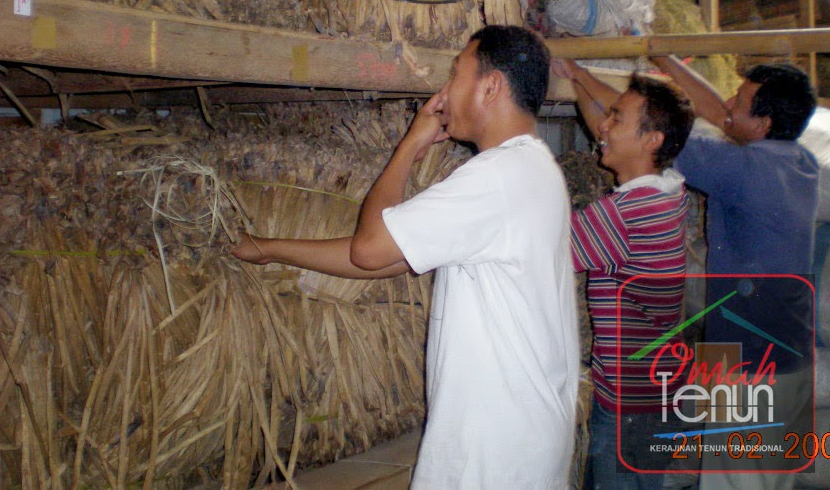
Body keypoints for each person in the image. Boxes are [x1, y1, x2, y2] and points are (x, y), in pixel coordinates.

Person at [232, 25, 580, 489]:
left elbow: (370, 248)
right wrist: (270, 249)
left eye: (456, 73)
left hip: (494, 455)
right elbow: (386, 258)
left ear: (490, 86)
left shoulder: (496, 177)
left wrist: (411, 144)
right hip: (522, 442)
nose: (443, 91)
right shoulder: (534, 170)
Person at [651, 56, 818, 488]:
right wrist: (667, 61)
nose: (727, 103)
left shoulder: (741, 168)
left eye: (740, 99)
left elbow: (648, 131)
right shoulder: (798, 161)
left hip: (751, 362)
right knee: (767, 478)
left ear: (762, 123)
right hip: (785, 350)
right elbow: (726, 118)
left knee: (738, 481)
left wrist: (585, 80)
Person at [555, 59, 695, 490]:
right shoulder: (670, 189)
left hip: (626, 403)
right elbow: (613, 135)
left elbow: (541, 255)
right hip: (656, 390)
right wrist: (578, 76)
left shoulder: (625, 214)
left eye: (618, 117)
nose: (604, 126)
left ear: (652, 139)